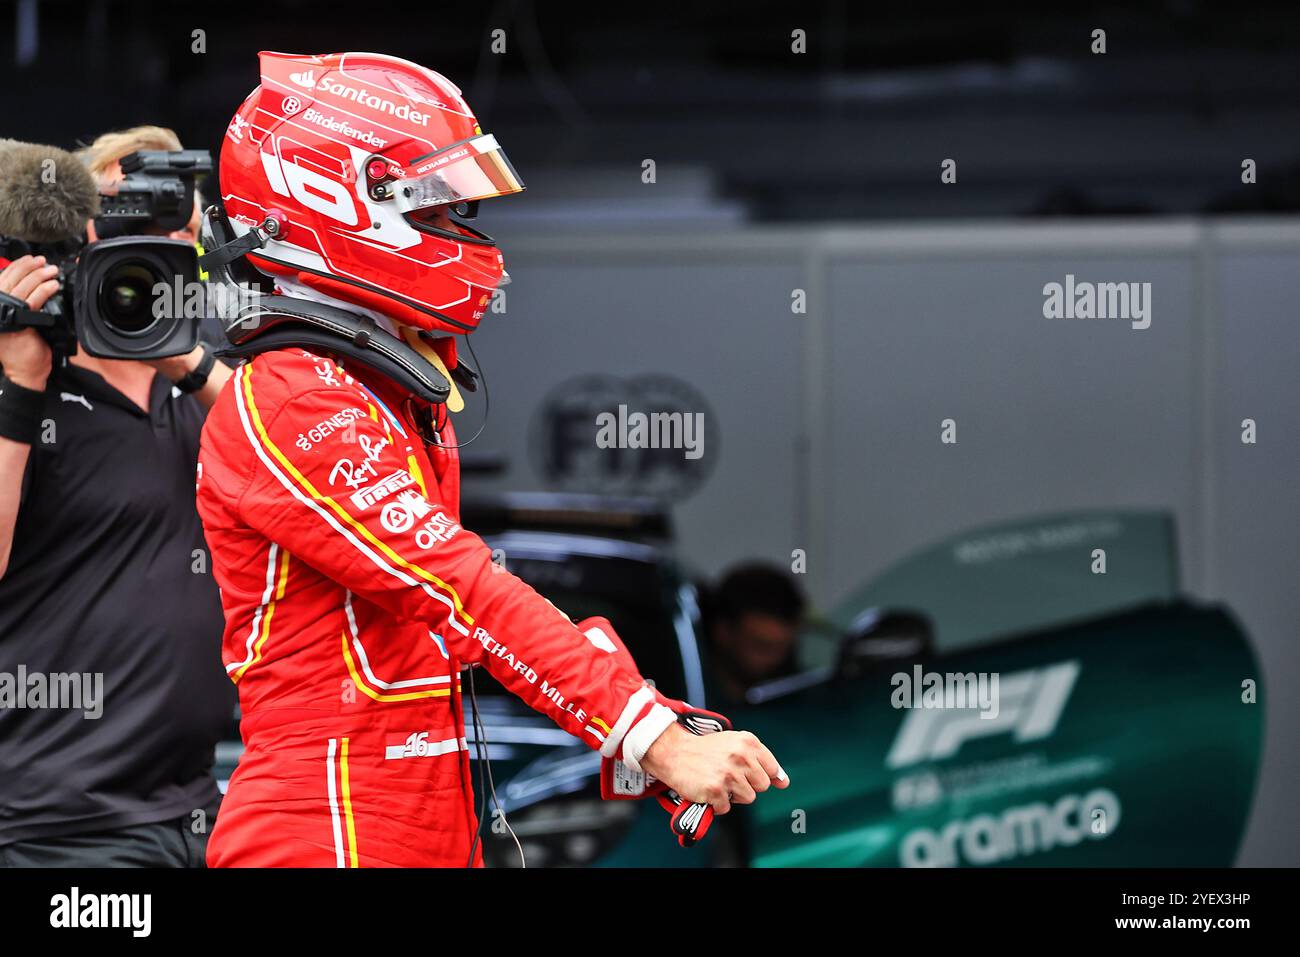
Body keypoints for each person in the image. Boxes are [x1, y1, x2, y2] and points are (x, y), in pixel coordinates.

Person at [195, 50, 788, 867]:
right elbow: (459, 588)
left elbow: (449, 628)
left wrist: (647, 719)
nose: (465, 238)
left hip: (417, 821)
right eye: (438, 211)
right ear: (333, 200)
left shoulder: (379, 389)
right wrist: (646, 734)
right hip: (324, 832)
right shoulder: (297, 395)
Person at [0, 126, 234, 867]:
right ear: (77, 238)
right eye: (126, 228)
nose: (148, 259)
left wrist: (187, 362)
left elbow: (305, 458)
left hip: (197, 808)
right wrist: (17, 379)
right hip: (58, 823)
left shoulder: (202, 389)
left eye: (175, 232)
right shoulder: (29, 384)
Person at [705, 563, 806, 706]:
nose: (775, 659)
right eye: (761, 647)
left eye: (784, 648)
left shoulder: (802, 697)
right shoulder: (678, 702)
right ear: (723, 632)